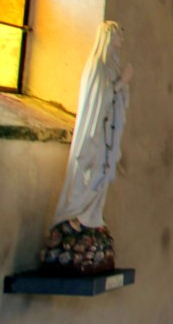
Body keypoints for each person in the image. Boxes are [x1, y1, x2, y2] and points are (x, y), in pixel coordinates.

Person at [52, 21, 134, 229]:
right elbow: (101, 98)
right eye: (118, 35)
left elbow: (117, 98)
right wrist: (122, 82)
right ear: (108, 37)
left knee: (103, 171)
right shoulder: (96, 65)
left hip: (108, 133)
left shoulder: (111, 65)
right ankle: (75, 214)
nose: (121, 40)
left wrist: (123, 85)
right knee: (89, 169)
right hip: (95, 132)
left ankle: (91, 216)